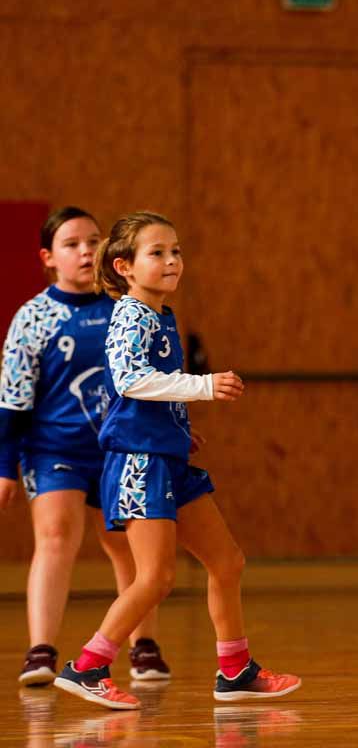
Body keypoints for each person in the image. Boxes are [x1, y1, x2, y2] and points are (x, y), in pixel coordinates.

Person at [54, 212, 300, 710]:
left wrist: (179, 429)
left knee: (227, 562)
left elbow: (147, 392)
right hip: (140, 464)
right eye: (157, 253)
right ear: (124, 265)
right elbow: (129, 380)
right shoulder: (131, 314)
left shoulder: (158, 314)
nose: (171, 261)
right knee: (156, 578)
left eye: (176, 251)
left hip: (166, 457)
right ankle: (87, 667)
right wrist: (204, 387)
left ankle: (234, 671)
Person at [0, 207, 170, 686]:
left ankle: (144, 647)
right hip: (54, 449)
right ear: (48, 257)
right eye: (72, 243)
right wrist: (6, 466)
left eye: (94, 241)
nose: (85, 251)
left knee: (125, 547)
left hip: (121, 448)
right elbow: (12, 401)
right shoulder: (33, 317)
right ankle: (41, 651)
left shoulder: (126, 309)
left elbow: (151, 380)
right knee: (56, 536)